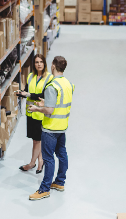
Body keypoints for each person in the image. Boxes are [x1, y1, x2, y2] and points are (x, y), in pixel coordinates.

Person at [27, 56, 74, 201]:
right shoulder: (67, 83)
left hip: (50, 128)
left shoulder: (52, 86)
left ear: (53, 66)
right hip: (62, 127)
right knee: (62, 154)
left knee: (48, 159)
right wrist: (46, 102)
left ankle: (44, 189)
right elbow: (59, 103)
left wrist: (36, 108)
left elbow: (50, 110)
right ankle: (60, 182)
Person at [16, 54, 53, 173]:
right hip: (30, 113)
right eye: (37, 62)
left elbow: (45, 95)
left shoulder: (49, 78)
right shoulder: (31, 76)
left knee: (37, 140)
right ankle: (41, 161)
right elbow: (27, 90)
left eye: (41, 62)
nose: (39, 64)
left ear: (45, 63)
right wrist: (21, 92)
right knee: (36, 139)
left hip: (40, 113)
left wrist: (29, 95)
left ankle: (32, 163)